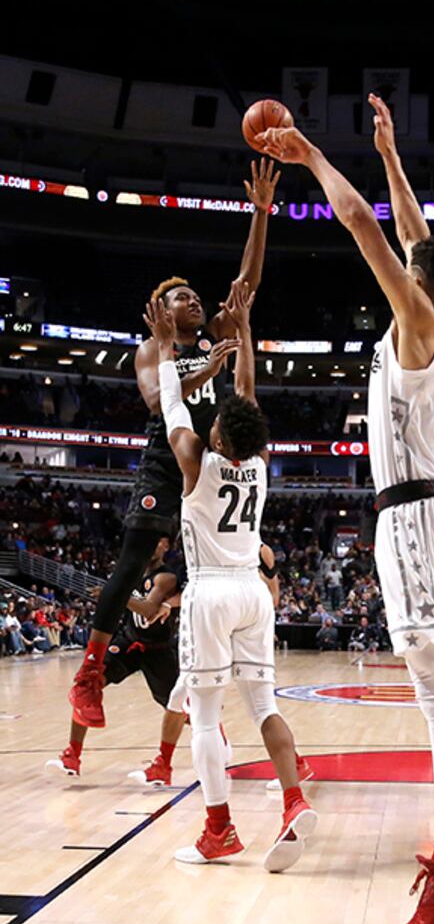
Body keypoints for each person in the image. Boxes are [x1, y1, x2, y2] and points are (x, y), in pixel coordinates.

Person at [259, 93, 434, 924]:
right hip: (421, 513)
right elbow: (402, 224)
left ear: (420, 281)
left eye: (411, 263)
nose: (402, 258)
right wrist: (393, 154)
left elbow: (361, 224)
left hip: (413, 519)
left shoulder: (420, 319)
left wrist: (312, 154)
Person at [67, 159, 279, 731]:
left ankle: (231, 694)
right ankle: (89, 675)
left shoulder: (215, 336)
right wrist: (198, 370)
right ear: (162, 312)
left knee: (231, 566)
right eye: (181, 297)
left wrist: (260, 213)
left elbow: (247, 285)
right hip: (169, 459)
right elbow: (157, 406)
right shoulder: (152, 349)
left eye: (193, 296)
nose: (194, 301)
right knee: (134, 558)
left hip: (215, 461)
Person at [145, 281, 315, 871]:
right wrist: (242, 333)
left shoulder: (196, 460)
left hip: (212, 591)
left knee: (207, 717)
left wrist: (167, 350)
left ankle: (219, 830)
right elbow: (246, 395)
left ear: (218, 435)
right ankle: (294, 801)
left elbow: (171, 407)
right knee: (265, 707)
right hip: (253, 594)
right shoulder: (260, 464)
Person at [46, 535, 188, 785]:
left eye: (157, 541)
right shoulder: (130, 573)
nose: (151, 544)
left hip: (158, 649)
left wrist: (113, 594)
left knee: (179, 707)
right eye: (148, 540)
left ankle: (205, 740)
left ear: (166, 545)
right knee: (88, 685)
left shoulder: (167, 578)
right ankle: (72, 755)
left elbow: (148, 609)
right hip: (128, 641)